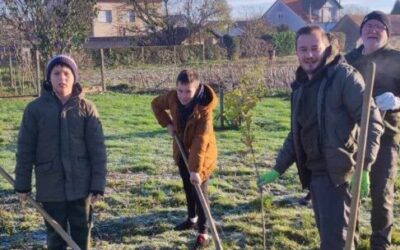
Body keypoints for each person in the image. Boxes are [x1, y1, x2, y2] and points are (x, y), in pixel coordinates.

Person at [258, 25, 384, 249]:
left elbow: (372, 121)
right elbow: (297, 131)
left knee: (336, 243)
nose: (309, 55)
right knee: (338, 238)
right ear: (296, 52)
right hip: (316, 174)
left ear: (327, 48)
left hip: (338, 174)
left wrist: (364, 165)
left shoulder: (344, 77)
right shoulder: (301, 86)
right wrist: (278, 167)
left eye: (315, 48)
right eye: (303, 49)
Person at [14, 55, 107, 250]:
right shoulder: (35, 110)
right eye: (56, 73)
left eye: (66, 73)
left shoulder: (86, 108)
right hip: (50, 187)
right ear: (49, 78)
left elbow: (97, 150)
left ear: (74, 78)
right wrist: (22, 184)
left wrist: (97, 184)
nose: (61, 78)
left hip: (81, 186)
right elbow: (25, 149)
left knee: (81, 234)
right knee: (56, 237)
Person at [346, 10, 400, 250]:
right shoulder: (348, 60)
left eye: (380, 26)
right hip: (351, 138)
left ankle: (381, 243)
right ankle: (349, 240)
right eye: (369, 26)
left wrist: (398, 101)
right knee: (349, 194)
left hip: (386, 137)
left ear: (387, 33)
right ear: (361, 31)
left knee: (381, 193)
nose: (373, 30)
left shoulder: (397, 59)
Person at [151, 69, 218, 249]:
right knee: (187, 186)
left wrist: (195, 170)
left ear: (196, 89)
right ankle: (192, 219)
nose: (183, 96)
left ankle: (203, 231)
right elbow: (155, 104)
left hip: (202, 155)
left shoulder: (204, 109)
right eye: (180, 90)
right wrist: (168, 123)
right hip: (181, 150)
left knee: (200, 192)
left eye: (188, 91)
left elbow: (200, 140)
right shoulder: (172, 97)